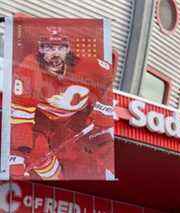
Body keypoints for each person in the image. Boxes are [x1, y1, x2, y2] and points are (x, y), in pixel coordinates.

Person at [10, 26, 115, 180]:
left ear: (68, 50)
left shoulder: (90, 67)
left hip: (77, 120)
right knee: (36, 149)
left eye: (61, 48)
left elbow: (107, 83)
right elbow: (21, 118)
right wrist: (21, 153)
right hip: (42, 120)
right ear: (40, 49)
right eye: (50, 48)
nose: (55, 53)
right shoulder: (29, 69)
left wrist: (103, 110)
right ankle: (56, 181)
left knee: (102, 146)